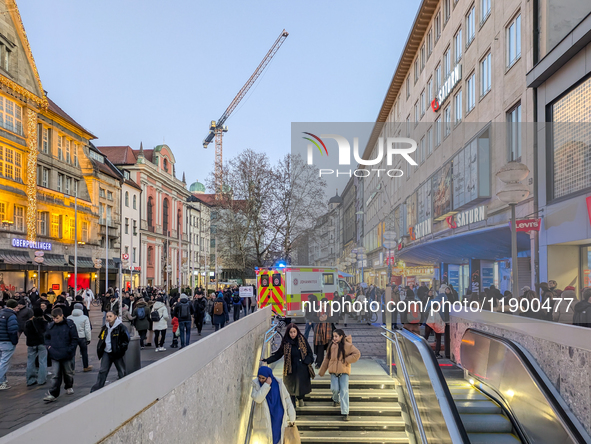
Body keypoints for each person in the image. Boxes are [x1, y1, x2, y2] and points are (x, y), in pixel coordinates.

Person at [262, 323, 313, 408]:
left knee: (300, 388)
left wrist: (306, 362)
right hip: (290, 369)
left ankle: (300, 398)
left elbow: (309, 353)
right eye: (291, 332)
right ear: (288, 333)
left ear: (297, 331)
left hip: (301, 368)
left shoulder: (302, 339)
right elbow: (278, 354)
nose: (293, 334)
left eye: (294, 332)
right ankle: (293, 410)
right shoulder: (286, 342)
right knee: (290, 391)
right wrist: (267, 360)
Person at [318, 329, 361, 421]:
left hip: (344, 371)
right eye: (333, 336)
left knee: (344, 391)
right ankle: (335, 399)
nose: (334, 338)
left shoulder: (347, 345)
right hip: (333, 371)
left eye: (336, 336)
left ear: (341, 336)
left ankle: (345, 412)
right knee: (334, 388)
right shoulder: (331, 346)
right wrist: (322, 371)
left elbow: (357, 354)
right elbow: (327, 359)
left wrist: (346, 360)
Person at [251, 366, 296, 444]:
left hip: (279, 418)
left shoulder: (279, 383)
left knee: (278, 439)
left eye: (263, 378)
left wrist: (292, 417)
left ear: (269, 377)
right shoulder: (256, 384)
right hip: (265, 418)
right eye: (259, 378)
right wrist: (266, 385)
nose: (261, 380)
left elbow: (287, 399)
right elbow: (258, 399)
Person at [43, 307, 78, 402]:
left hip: (66, 353)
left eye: (57, 318)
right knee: (55, 375)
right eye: (54, 318)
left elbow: (74, 338)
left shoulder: (69, 325)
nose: (55, 320)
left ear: (62, 315)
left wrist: (70, 349)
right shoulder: (51, 326)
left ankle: (68, 385)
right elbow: (46, 338)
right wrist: (49, 347)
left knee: (68, 372)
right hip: (55, 353)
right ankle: (53, 393)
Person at [90, 311, 130, 392]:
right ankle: (97, 388)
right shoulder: (105, 327)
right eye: (107, 316)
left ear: (115, 316)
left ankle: (125, 388)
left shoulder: (121, 327)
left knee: (121, 371)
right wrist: (100, 348)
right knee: (102, 370)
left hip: (117, 353)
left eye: (110, 316)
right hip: (106, 352)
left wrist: (120, 349)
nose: (108, 318)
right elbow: (101, 338)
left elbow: (126, 339)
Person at [24, 307, 48, 386]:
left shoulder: (28, 322)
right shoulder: (45, 322)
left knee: (30, 361)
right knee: (42, 361)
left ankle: (30, 380)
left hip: (31, 343)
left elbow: (26, 333)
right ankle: (42, 379)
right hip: (42, 343)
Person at [0, 299, 19, 390]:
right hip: (7, 341)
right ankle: (1, 381)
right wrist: (15, 341)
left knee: (2, 362)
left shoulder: (1, 313)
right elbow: (13, 330)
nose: (18, 309)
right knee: (4, 362)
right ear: (14, 307)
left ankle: (3, 382)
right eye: (17, 307)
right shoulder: (11, 316)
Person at [68, 303, 92, 371]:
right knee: (84, 353)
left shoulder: (69, 317)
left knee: (72, 354)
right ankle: (85, 366)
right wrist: (88, 339)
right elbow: (87, 329)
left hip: (72, 338)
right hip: (82, 337)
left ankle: (71, 368)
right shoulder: (85, 318)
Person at [313, 298, 332, 369]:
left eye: (324, 304)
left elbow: (335, 318)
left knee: (329, 347)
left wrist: (327, 318)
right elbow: (313, 317)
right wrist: (319, 319)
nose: (323, 305)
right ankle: (319, 362)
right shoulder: (318, 309)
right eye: (322, 304)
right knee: (320, 347)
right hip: (319, 330)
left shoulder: (330, 309)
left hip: (328, 330)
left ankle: (329, 363)